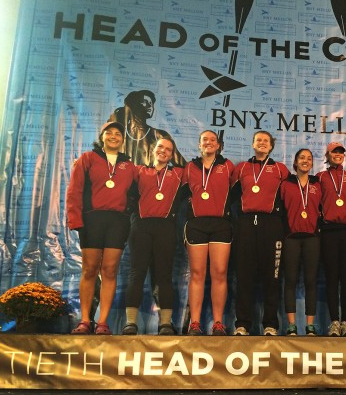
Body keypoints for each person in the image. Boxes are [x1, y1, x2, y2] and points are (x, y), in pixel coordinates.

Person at [66, 121, 135, 334]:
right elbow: (74, 191)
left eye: (118, 133)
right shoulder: (87, 159)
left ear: (123, 140)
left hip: (117, 222)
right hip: (92, 220)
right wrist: (76, 221)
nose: (114, 136)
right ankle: (85, 320)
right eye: (109, 133)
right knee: (89, 269)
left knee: (110, 270)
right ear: (102, 136)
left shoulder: (130, 166)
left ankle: (103, 322)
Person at [122, 137, 186, 336]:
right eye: (160, 147)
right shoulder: (138, 171)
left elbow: (204, 174)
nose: (163, 151)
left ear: (172, 154)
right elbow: (113, 172)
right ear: (152, 149)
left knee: (164, 276)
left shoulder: (179, 173)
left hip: (166, 228)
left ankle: (165, 324)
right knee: (136, 274)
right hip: (140, 227)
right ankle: (130, 322)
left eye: (168, 149)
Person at [230, 130, 289, 336]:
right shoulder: (242, 168)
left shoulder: (280, 169)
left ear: (271, 146)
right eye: (259, 140)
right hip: (246, 224)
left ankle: (270, 324)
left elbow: (290, 197)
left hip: (272, 224)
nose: (262, 143)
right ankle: (242, 324)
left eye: (266, 141)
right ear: (253, 144)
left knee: (271, 277)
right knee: (244, 276)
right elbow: (229, 195)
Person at [184, 130, 235, 336]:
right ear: (199, 145)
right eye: (205, 139)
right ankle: (194, 323)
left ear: (218, 145)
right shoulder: (189, 167)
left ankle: (218, 323)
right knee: (197, 274)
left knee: (220, 274)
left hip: (221, 225)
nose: (209, 142)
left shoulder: (228, 166)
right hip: (196, 224)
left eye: (213, 140)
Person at [316, 142, 346, 337]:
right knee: (332, 278)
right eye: (335, 152)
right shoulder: (320, 177)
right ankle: (334, 322)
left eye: (341, 152)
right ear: (328, 154)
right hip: (328, 231)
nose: (338, 155)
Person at [280, 149, 322, 336]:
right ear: (295, 162)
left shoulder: (318, 184)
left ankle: (310, 325)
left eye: (309, 158)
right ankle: (291, 325)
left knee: (311, 281)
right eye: (302, 158)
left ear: (312, 163)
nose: (305, 161)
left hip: (312, 238)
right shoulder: (285, 184)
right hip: (291, 238)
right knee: (290, 281)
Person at [109, 90, 186, 167]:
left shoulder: (159, 136)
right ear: (134, 105)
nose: (150, 106)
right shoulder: (119, 135)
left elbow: (182, 165)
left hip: (151, 178)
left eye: (151, 103)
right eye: (145, 102)